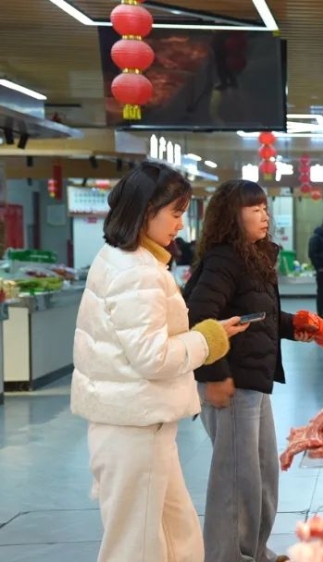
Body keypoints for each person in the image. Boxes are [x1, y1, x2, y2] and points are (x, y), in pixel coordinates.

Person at [71, 162, 246, 562]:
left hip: (138, 422)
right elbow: (153, 357)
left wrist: (206, 335)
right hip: (136, 427)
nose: (181, 225)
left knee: (176, 534)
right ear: (146, 210)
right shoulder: (137, 272)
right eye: (176, 213)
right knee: (137, 545)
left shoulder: (128, 260)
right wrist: (208, 338)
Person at [183, 179, 312, 562]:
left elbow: (256, 314)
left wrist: (294, 326)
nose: (264, 216)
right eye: (253, 209)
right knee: (237, 481)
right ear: (231, 216)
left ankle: (255, 551)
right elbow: (199, 318)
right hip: (232, 383)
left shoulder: (254, 256)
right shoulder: (225, 259)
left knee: (261, 476)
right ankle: (229, 556)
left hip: (254, 381)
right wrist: (216, 375)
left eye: (264, 208)